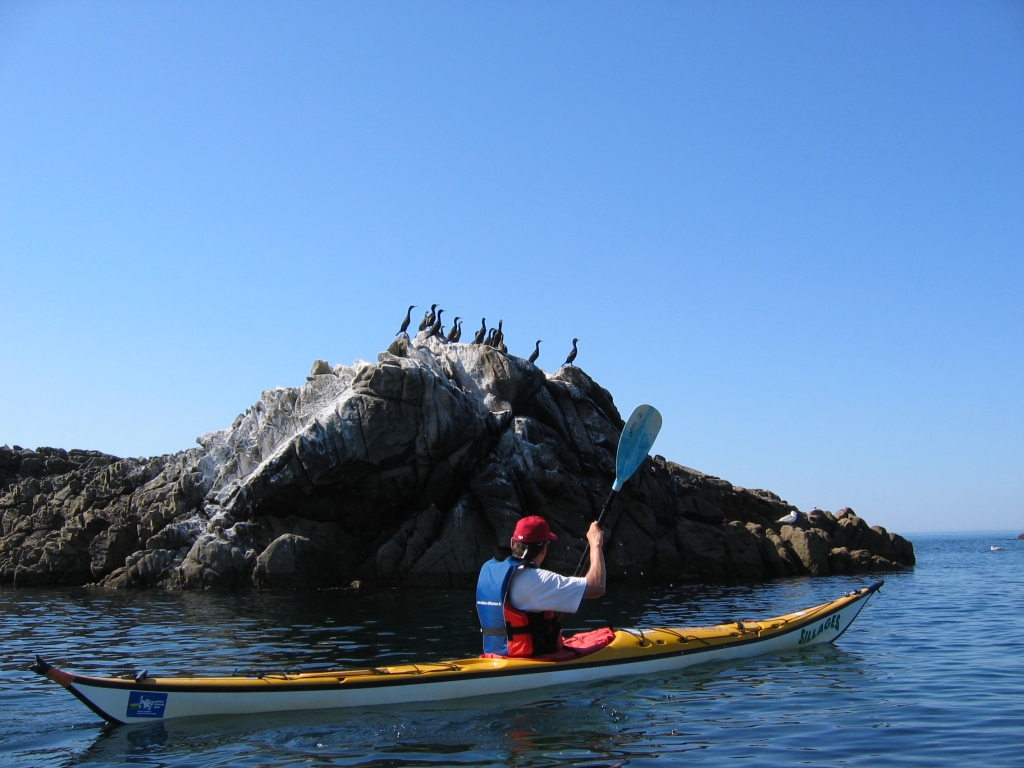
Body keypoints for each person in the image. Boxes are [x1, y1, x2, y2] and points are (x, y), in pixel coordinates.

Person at [476, 515, 606, 657]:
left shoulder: (489, 571)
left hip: (493, 657)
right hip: (524, 662)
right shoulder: (538, 580)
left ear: (513, 543)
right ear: (544, 548)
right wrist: (595, 544)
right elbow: (597, 586)